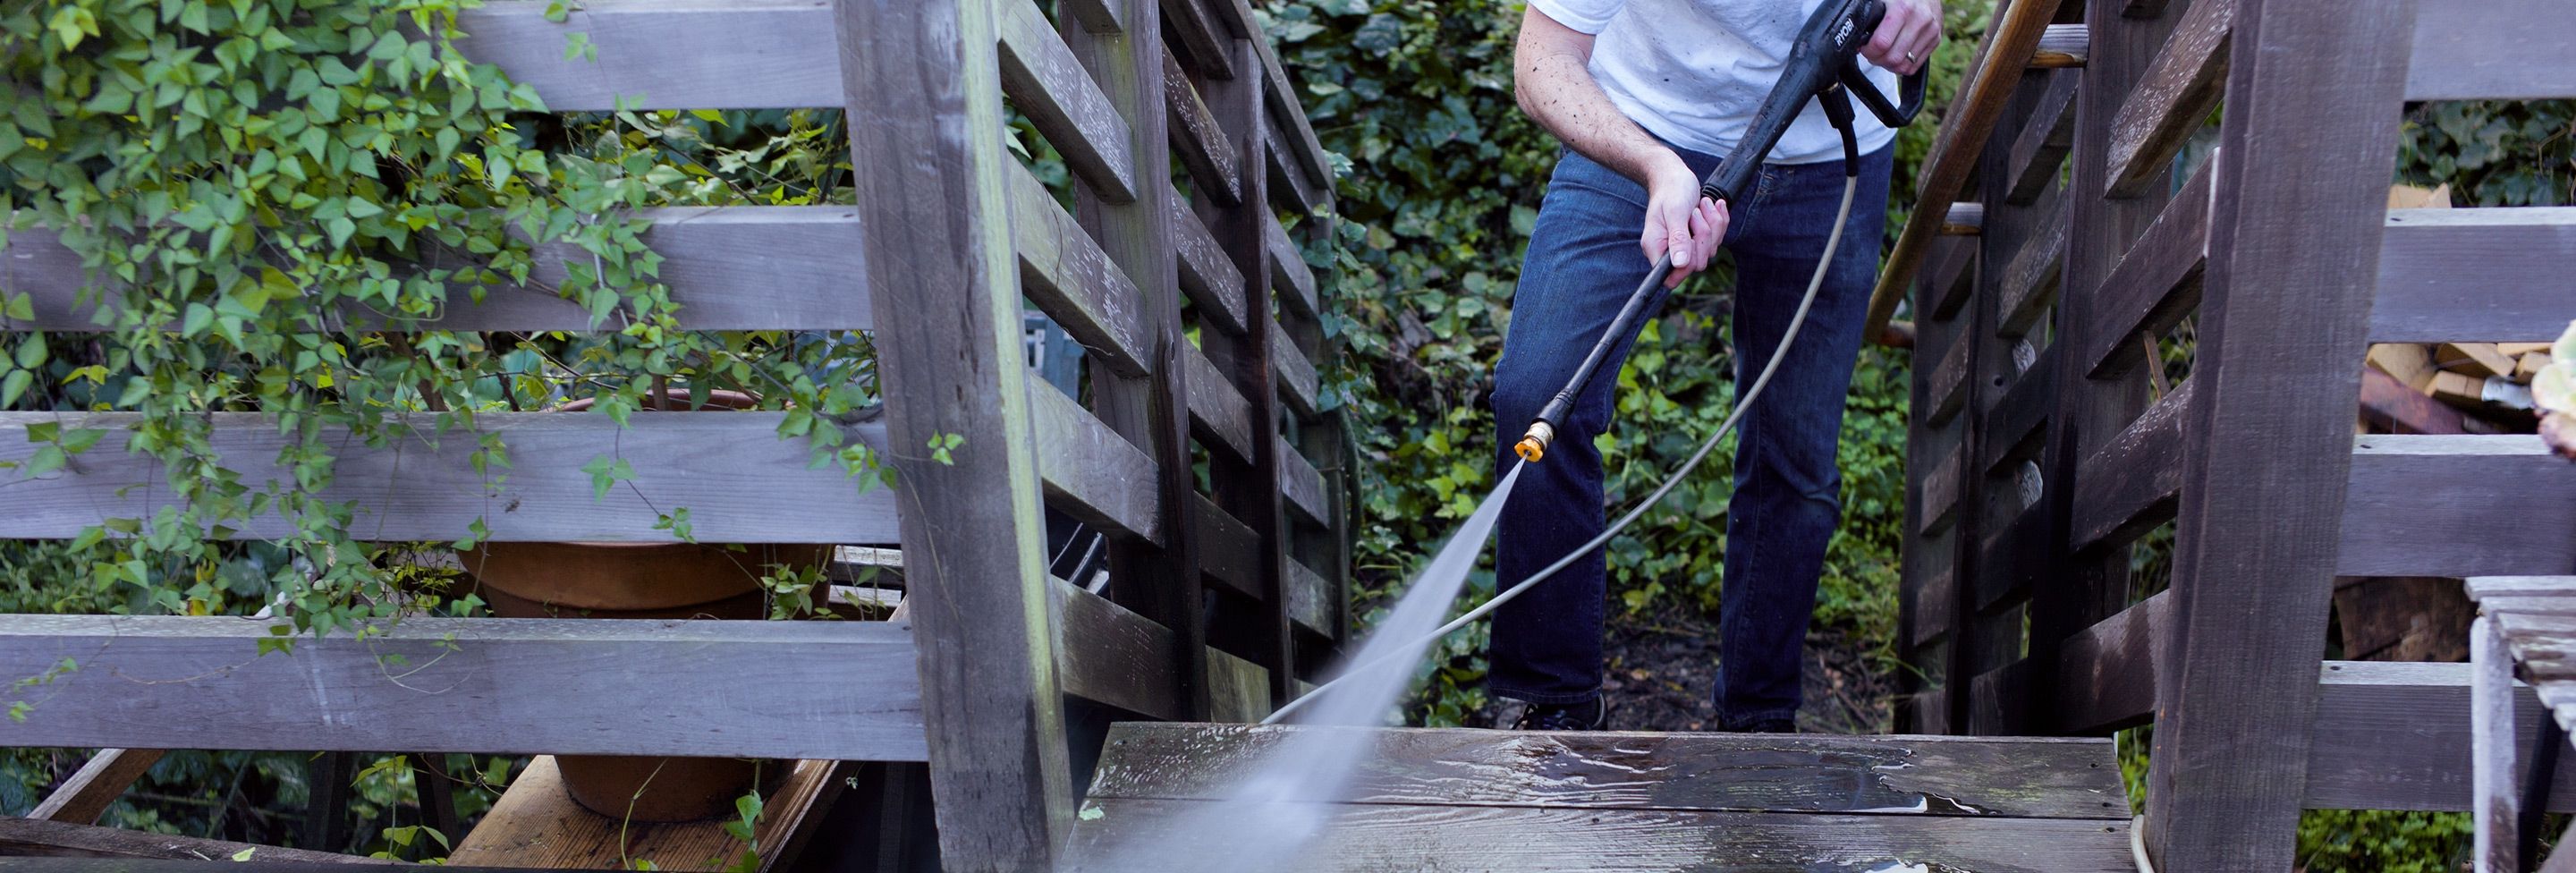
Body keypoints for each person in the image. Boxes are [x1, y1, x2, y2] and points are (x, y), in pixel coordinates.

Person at [1488, 0, 1939, 732]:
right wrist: (1654, 165)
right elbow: (1542, 63)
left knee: (1795, 462)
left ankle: (1759, 725)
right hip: (1644, 133)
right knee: (1538, 393)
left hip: (1828, 163)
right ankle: (1555, 709)